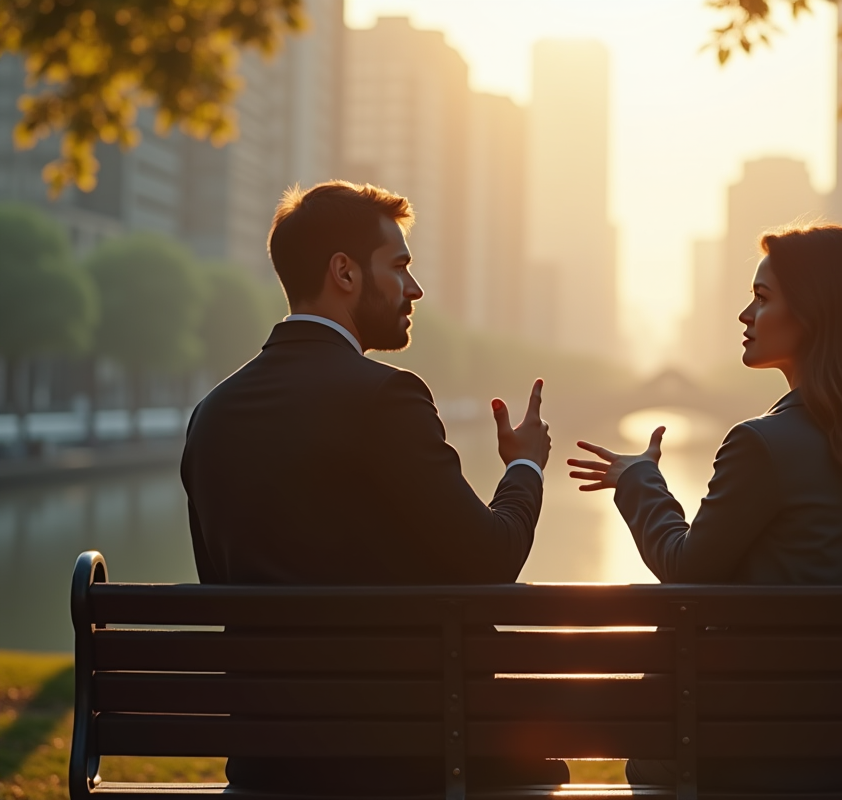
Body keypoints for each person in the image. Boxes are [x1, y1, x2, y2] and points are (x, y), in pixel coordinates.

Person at [181, 180, 567, 793]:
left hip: (266, 758)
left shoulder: (211, 415)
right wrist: (525, 467)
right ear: (344, 272)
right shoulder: (387, 397)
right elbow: (489, 561)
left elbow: (220, 580)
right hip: (407, 754)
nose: (415, 289)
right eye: (400, 266)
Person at [567, 223, 842, 792]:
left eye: (762, 298)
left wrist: (639, 480)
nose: (744, 316)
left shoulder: (763, 443)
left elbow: (686, 569)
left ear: (815, 315)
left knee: (651, 759)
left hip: (752, 752)